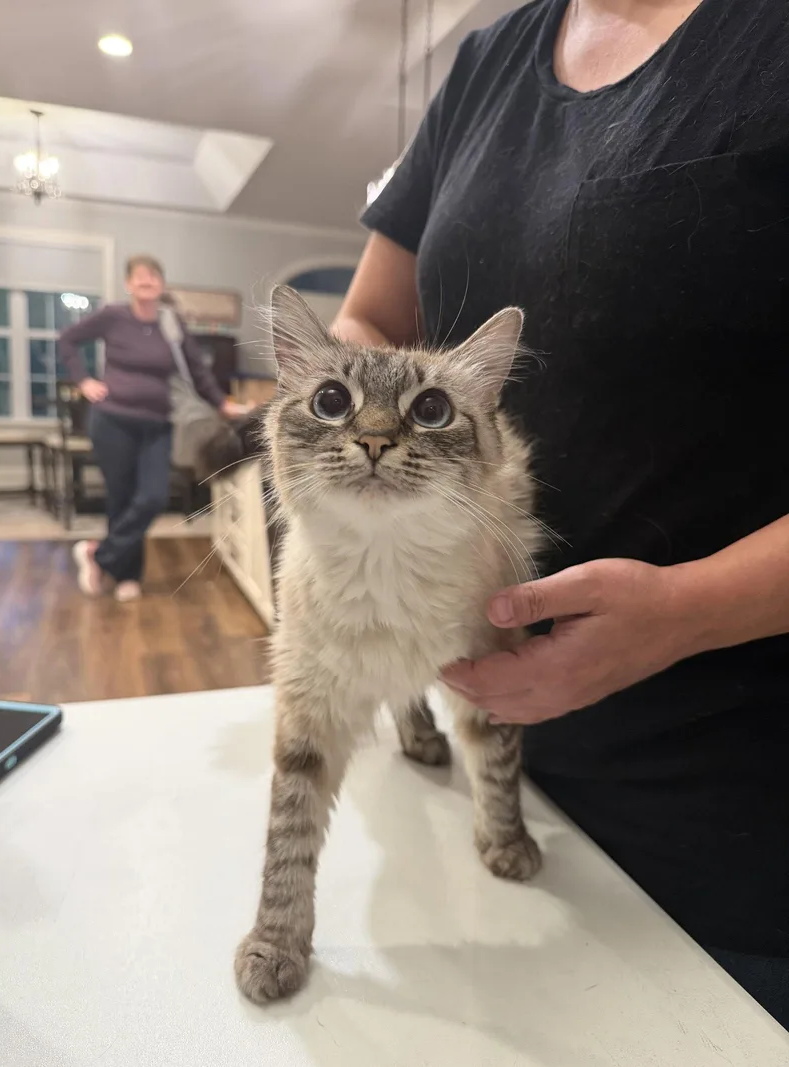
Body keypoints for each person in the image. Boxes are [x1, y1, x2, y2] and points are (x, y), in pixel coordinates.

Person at [335, 0, 789, 1028]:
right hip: (485, 779)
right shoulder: (488, 62)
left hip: (722, 820)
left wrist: (688, 608)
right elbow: (367, 321)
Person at [59, 254, 243, 602]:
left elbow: (197, 369)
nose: (146, 281)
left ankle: (96, 556)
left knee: (153, 497)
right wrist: (83, 381)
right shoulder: (114, 316)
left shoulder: (170, 323)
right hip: (113, 422)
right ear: (128, 284)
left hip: (156, 425)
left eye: (153, 276)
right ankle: (127, 576)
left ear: (161, 284)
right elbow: (67, 340)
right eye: (139, 277)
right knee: (122, 500)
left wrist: (222, 403)